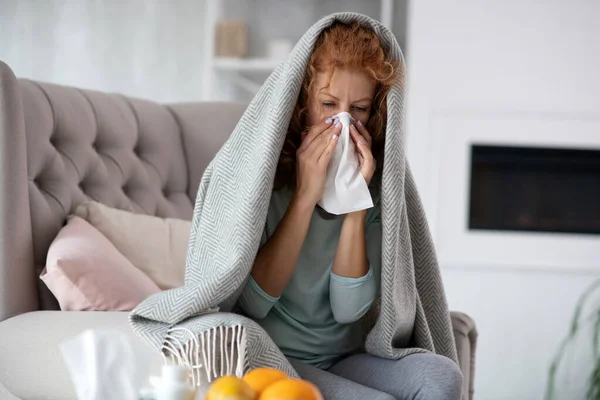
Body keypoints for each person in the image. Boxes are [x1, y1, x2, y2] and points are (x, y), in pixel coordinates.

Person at [238, 21, 462, 400]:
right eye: (328, 105)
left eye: (357, 109)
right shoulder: (266, 184)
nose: (343, 122)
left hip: (344, 357)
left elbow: (348, 310)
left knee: (441, 376)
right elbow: (256, 303)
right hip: (270, 357)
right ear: (301, 106)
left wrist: (356, 203)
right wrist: (305, 197)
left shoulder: (378, 190)